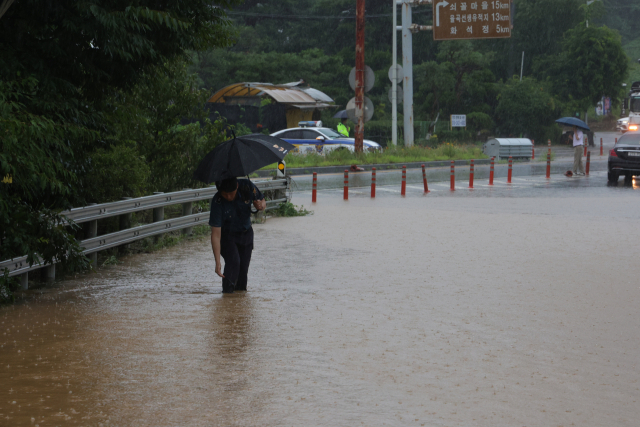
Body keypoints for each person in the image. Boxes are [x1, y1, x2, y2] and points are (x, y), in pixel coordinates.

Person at [209, 177, 266, 293]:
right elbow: (215, 234)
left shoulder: (247, 187)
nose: (229, 197)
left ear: (237, 187)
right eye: (225, 194)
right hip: (227, 236)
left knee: (243, 270)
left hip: (246, 234)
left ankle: (239, 304)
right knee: (233, 262)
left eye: (231, 193)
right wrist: (217, 262)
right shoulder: (217, 201)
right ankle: (227, 296)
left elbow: (262, 201)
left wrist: (260, 206)